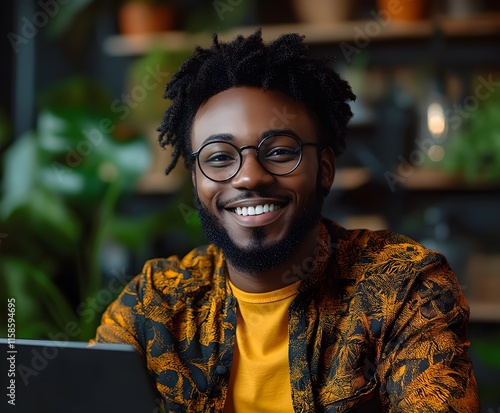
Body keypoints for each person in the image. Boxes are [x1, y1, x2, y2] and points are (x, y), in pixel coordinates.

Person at [93, 30, 479, 412]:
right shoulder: (157, 301)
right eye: (219, 157)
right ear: (196, 180)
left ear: (324, 170)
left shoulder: (404, 288)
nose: (248, 177)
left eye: (278, 151)